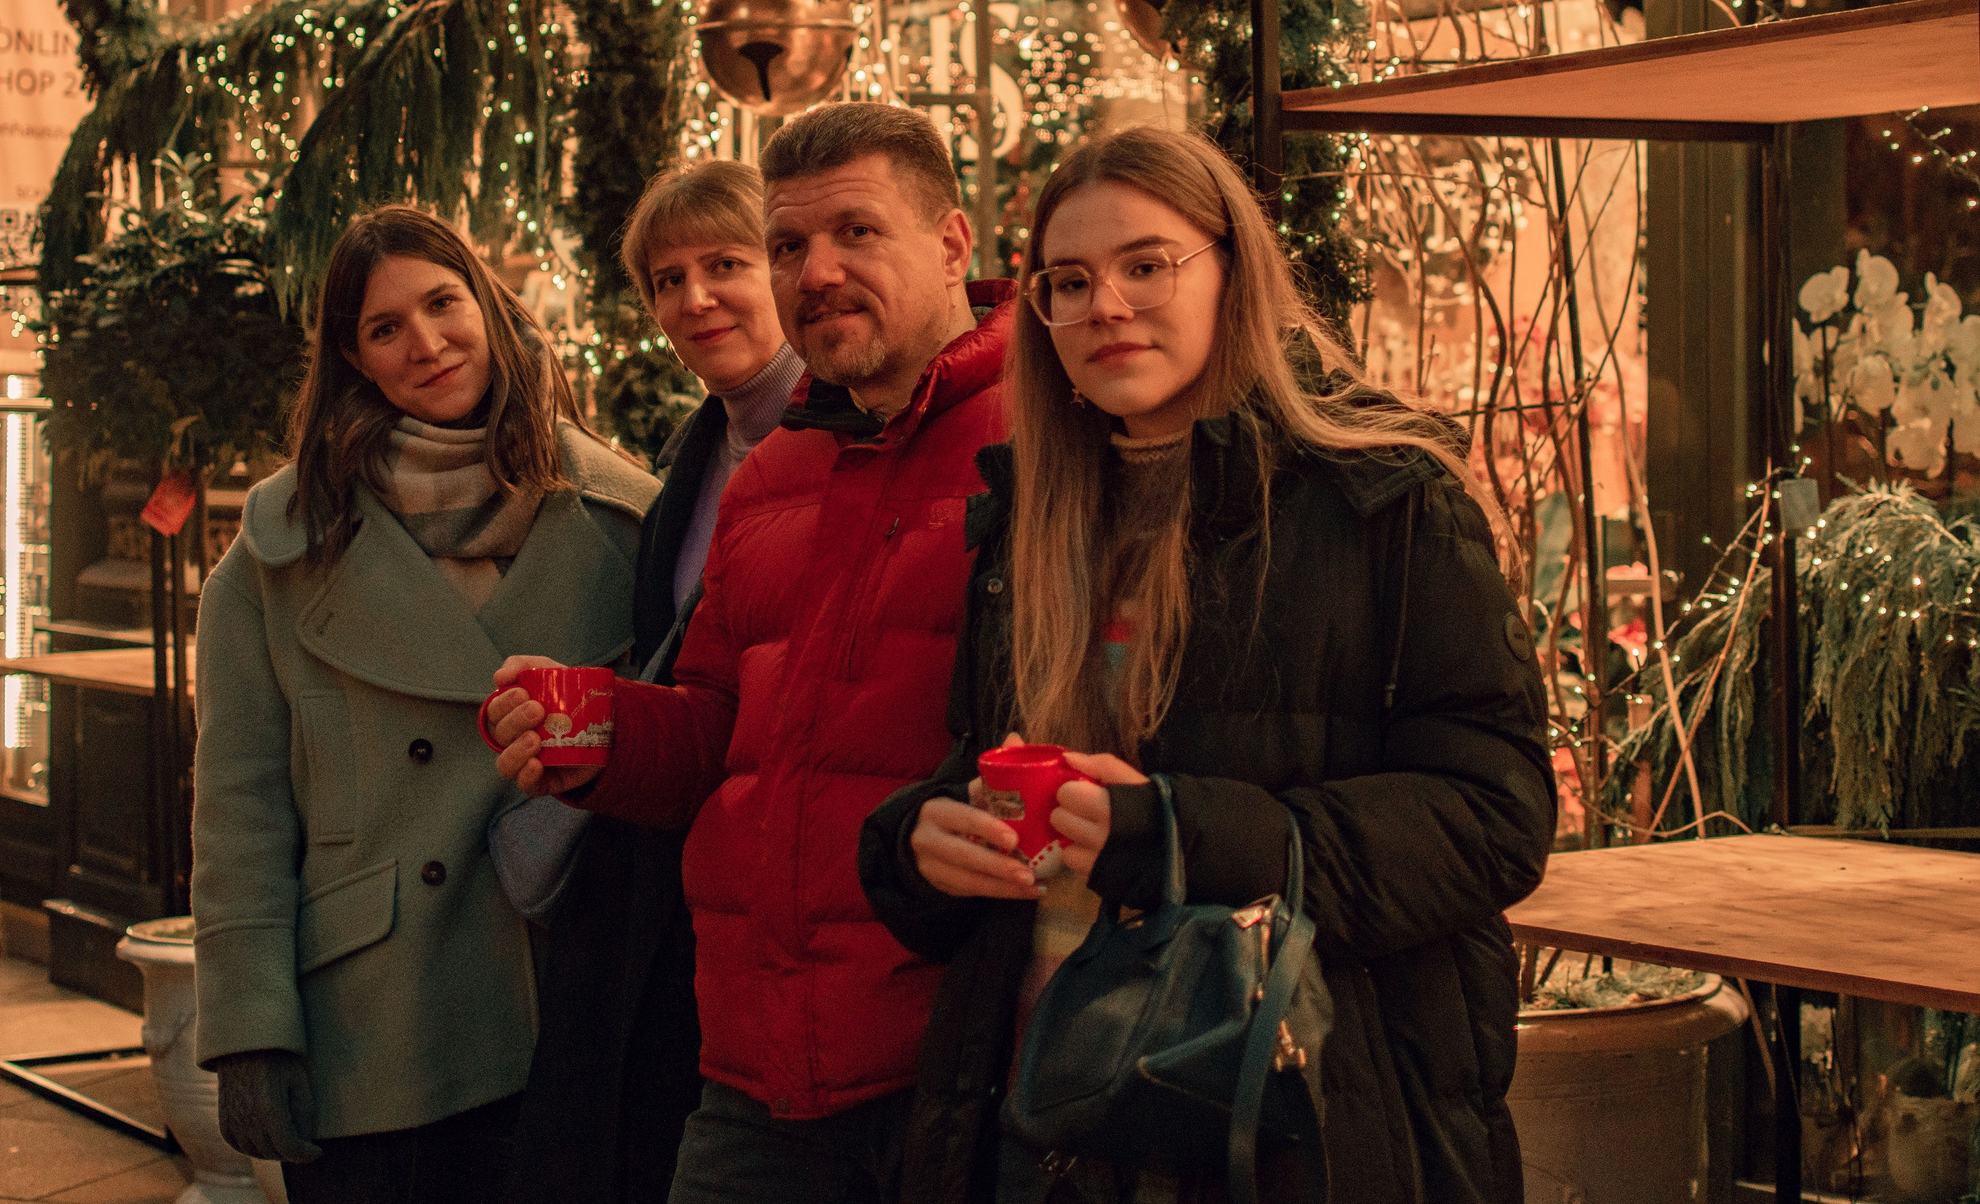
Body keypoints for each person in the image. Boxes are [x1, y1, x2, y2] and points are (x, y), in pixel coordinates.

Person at [860, 125, 1557, 1204]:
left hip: (1294, 1108)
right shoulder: (1029, 520)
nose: (1108, 306)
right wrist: (919, 843)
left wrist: (1183, 835)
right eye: (1068, 281)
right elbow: (981, 768)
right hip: (1052, 1104)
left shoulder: (1381, 494)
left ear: (1233, 269)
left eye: (1147, 265)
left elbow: (1494, 817)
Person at [485, 102, 1013, 1204]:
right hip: (757, 1068)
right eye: (788, 246)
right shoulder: (768, 474)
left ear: (954, 241)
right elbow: (721, 726)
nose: (814, 272)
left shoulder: (1048, 441)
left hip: (963, 1065)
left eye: (855, 232)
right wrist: (599, 730)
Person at [193, 205, 658, 1204]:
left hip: (567, 1008)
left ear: (487, 304)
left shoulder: (625, 520)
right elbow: (240, 810)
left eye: (443, 303)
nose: (427, 343)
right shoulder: (277, 552)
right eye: (384, 327)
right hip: (376, 1024)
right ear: (353, 360)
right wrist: (247, 1027)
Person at [515, 160, 806, 1204]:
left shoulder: (833, 434)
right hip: (677, 875)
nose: (694, 299)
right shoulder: (701, 446)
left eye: (724, 264)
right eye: (666, 280)